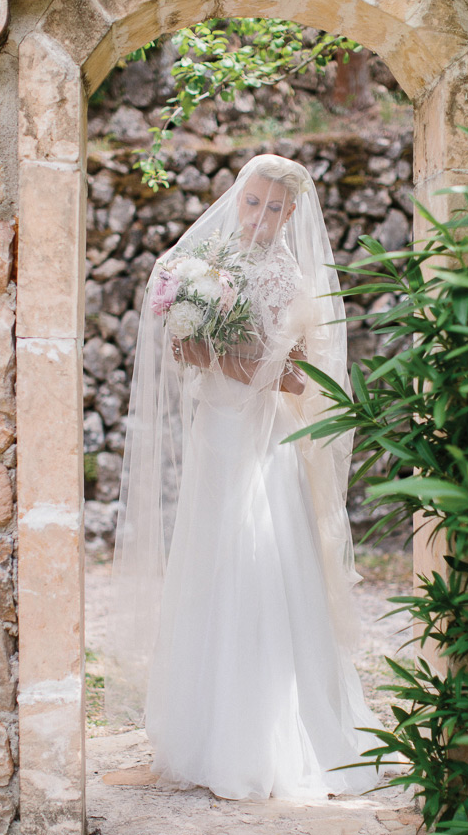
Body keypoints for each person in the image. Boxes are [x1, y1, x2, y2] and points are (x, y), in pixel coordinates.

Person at [107, 154, 394, 801]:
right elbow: (189, 354)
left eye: (273, 207)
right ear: (237, 200)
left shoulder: (292, 280)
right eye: (252, 202)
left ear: (291, 213)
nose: (260, 216)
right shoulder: (208, 267)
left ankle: (262, 737)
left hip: (262, 441)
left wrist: (223, 350)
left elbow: (291, 375)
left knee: (261, 560)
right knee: (209, 564)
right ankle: (200, 730)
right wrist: (191, 332)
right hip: (217, 434)